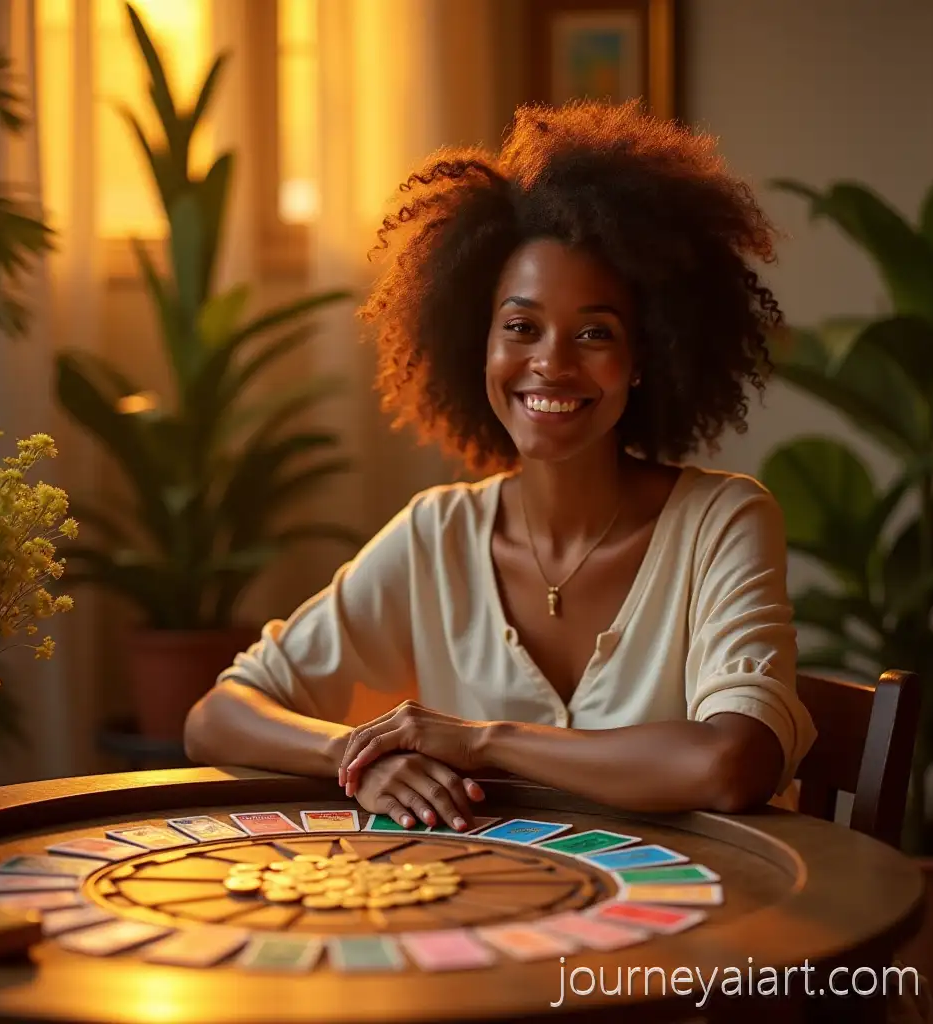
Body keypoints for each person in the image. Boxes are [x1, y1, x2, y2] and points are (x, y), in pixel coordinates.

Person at [184, 98, 817, 834]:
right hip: (502, 922)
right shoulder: (436, 537)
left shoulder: (723, 523)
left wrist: (483, 741)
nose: (551, 362)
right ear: (475, 342)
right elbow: (219, 716)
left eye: (595, 332)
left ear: (645, 357)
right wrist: (361, 757)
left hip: (709, 929)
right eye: (521, 327)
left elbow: (729, 763)